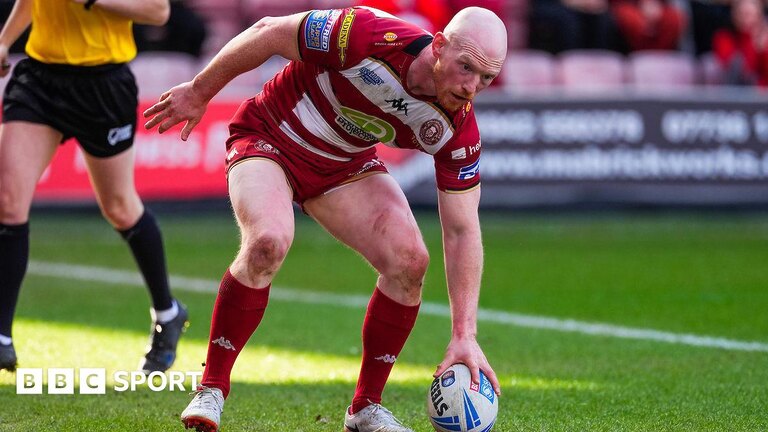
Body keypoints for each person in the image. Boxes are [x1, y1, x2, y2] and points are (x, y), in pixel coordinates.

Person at [144, 5, 505, 432]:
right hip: (270, 138)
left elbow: (463, 230)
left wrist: (465, 334)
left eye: (486, 78)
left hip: (342, 167)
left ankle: (365, 408)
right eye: (466, 68)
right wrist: (200, 91)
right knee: (268, 242)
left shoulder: (457, 128)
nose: (471, 87)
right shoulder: (366, 34)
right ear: (440, 45)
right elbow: (267, 32)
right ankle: (212, 389)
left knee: (410, 261)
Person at [0, 0, 189, 374]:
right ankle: (2, 337)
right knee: (7, 202)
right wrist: (4, 39)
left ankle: (167, 312)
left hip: (103, 86)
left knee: (119, 206)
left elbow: (159, 12)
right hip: (40, 79)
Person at [712, 0, 768, 86]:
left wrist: (763, 50)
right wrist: (752, 42)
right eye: (741, 13)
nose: (745, 20)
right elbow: (740, 70)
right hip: (733, 91)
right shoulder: (724, 37)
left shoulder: (765, 38)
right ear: (733, 14)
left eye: (748, 14)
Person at [610, 0, 687, 53]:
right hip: (629, 6)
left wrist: (654, 5)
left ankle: (657, 58)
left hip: (659, 7)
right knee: (628, 17)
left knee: (674, 18)